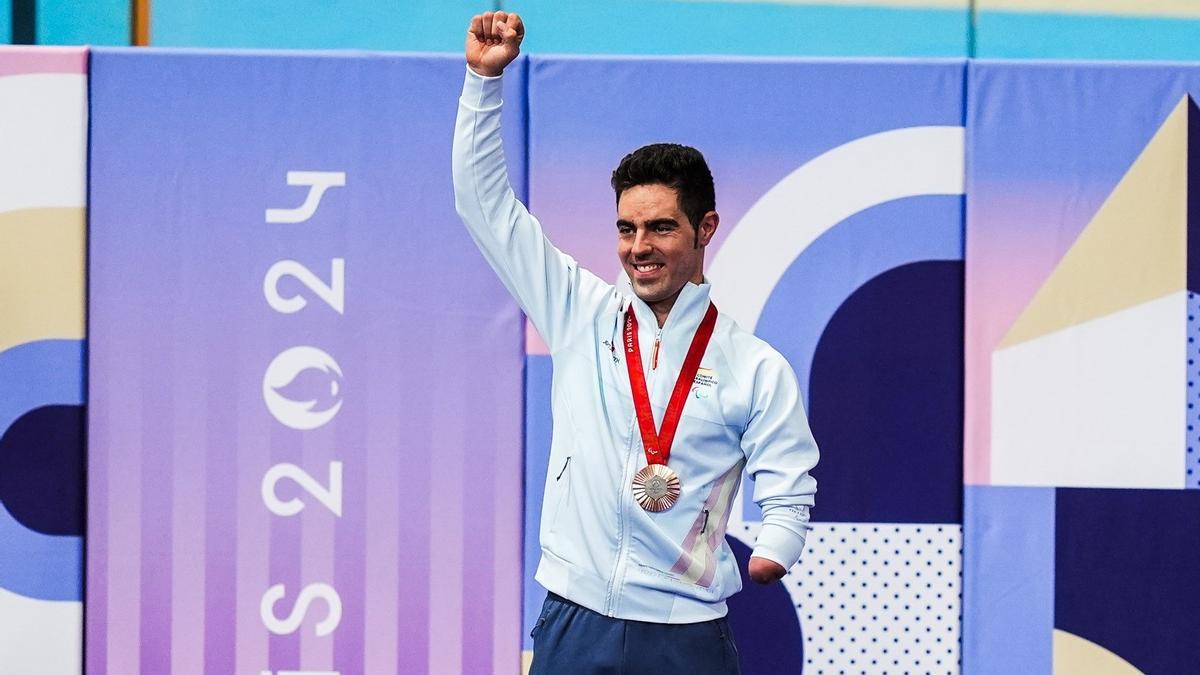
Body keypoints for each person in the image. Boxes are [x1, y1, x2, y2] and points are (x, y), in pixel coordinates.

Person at [453, 11, 819, 674]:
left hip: (687, 632)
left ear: (706, 227)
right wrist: (483, 84)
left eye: (659, 227)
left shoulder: (753, 366)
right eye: (626, 229)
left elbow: (789, 474)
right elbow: (486, 208)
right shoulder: (578, 311)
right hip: (575, 615)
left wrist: (779, 543)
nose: (638, 247)